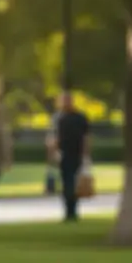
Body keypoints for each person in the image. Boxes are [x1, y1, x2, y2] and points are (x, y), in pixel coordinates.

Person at [48, 92, 90, 222]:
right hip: (63, 154)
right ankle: (69, 211)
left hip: (76, 153)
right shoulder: (57, 118)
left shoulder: (80, 117)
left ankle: (72, 210)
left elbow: (86, 137)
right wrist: (52, 153)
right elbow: (53, 137)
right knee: (67, 183)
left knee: (74, 183)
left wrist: (86, 153)